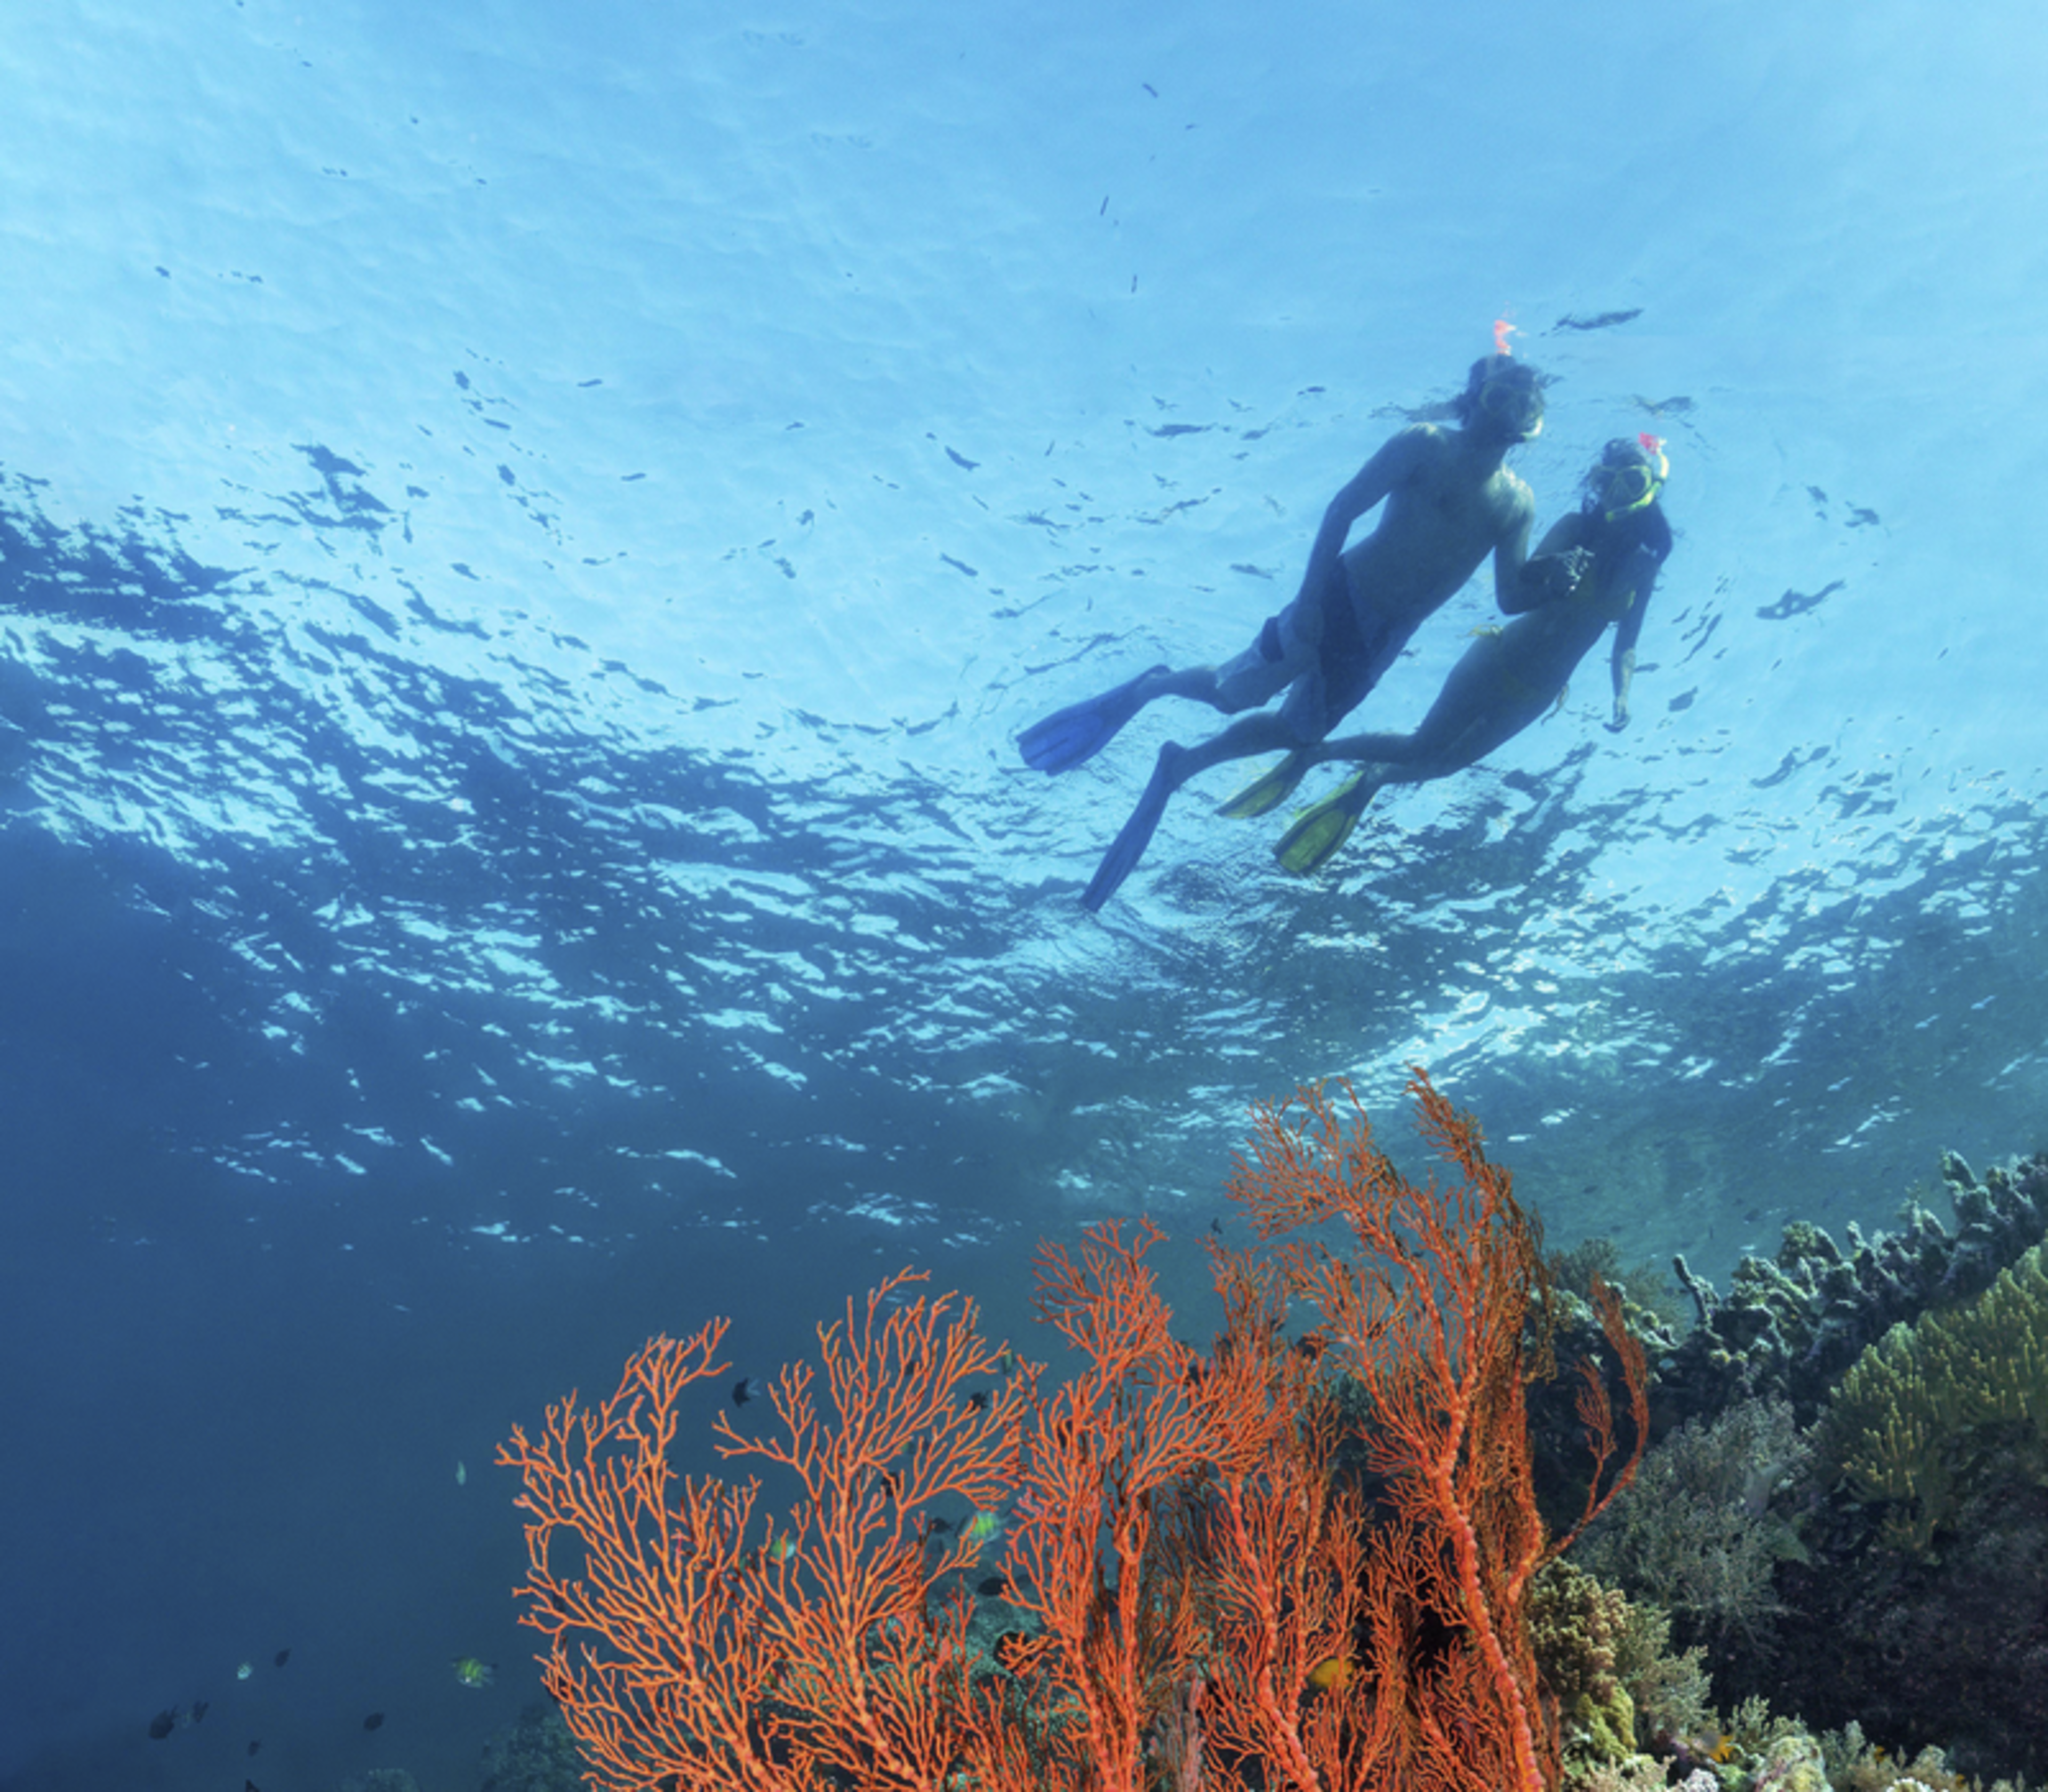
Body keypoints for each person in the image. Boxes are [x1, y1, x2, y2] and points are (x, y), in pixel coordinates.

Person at [1018, 340, 1566, 911]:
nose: (1507, 416)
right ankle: (1150, 686)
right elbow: (1343, 510)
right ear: (1471, 400)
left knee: (1300, 733)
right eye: (1500, 398)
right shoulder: (1425, 445)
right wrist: (1308, 598)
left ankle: (1181, 764)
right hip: (1341, 593)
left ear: (1533, 423)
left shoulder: (1516, 505)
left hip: (1384, 638)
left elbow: (1509, 597)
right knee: (1237, 694)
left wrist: (1550, 582)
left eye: (1524, 409)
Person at [1233, 434, 1672, 874]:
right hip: (1499, 657)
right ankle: (1315, 754)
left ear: (1652, 489)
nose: (1616, 494)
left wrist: (1622, 697)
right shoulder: (1576, 528)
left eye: (1631, 482)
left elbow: (1626, 644)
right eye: (1608, 482)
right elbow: (1522, 584)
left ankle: (1370, 781)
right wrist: (1555, 574)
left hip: (1540, 692)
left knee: (1446, 765)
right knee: (1424, 744)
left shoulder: (1645, 566)